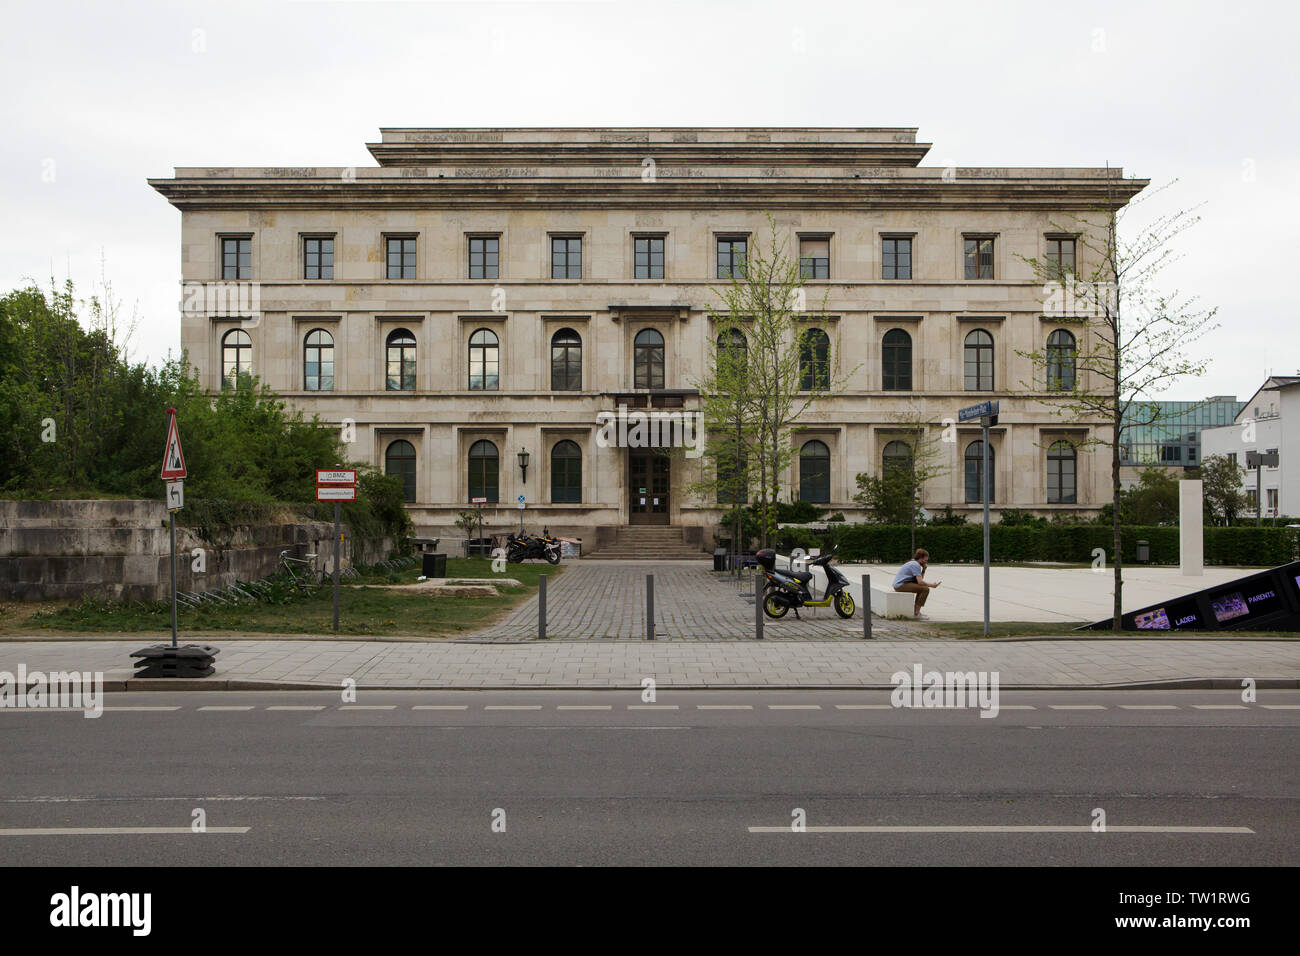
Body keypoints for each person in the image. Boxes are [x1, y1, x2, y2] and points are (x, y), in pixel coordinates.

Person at [893, 548, 941, 619]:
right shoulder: (915, 565)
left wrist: (924, 570)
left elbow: (919, 581)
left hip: (901, 584)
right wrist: (932, 585)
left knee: (922, 588)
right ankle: (917, 613)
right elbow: (920, 582)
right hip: (900, 585)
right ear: (921, 558)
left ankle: (916, 612)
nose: (926, 562)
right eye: (925, 560)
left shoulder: (913, 563)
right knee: (925, 589)